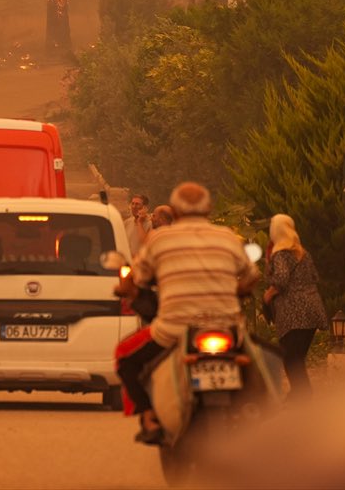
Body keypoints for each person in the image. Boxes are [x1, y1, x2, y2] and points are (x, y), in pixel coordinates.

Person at [115, 181, 259, 443]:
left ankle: (149, 416)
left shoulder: (159, 239)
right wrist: (236, 291)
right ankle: (254, 414)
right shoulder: (226, 236)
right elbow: (252, 276)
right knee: (261, 358)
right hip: (227, 328)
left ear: (176, 212)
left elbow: (138, 278)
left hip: (174, 330)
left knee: (126, 361)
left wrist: (126, 287)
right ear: (208, 209)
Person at [263, 213, 327, 401]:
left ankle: (301, 397)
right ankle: (299, 395)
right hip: (312, 309)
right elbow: (314, 277)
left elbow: (281, 280)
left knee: (291, 358)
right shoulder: (302, 252)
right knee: (297, 358)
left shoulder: (281, 253)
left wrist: (269, 293)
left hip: (293, 312)